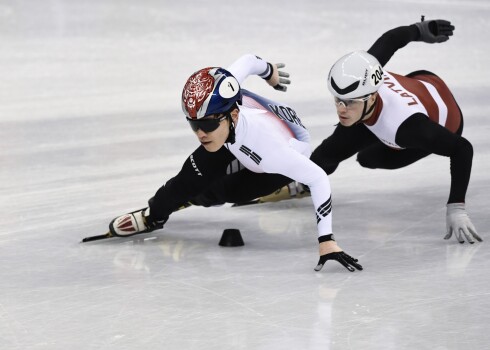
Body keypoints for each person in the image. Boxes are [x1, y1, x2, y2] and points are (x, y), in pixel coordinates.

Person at [108, 54, 363, 272]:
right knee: (186, 180)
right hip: (234, 137)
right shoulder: (222, 89)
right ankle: (154, 216)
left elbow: (318, 178)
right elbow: (249, 60)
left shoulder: (270, 150)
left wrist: (326, 240)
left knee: (227, 192)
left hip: (272, 162)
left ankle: (200, 196)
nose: (200, 133)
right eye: (194, 124)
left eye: (206, 124)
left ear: (232, 113)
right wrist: (270, 72)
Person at [310, 17, 482, 244]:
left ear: (371, 96)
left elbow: (462, 149)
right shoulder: (365, 68)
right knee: (328, 151)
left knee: (368, 158)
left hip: (445, 120)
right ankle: (305, 180)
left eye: (350, 101)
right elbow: (391, 39)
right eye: (338, 100)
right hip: (420, 82)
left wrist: (456, 207)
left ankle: (314, 173)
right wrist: (421, 30)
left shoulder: (408, 128)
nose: (341, 108)